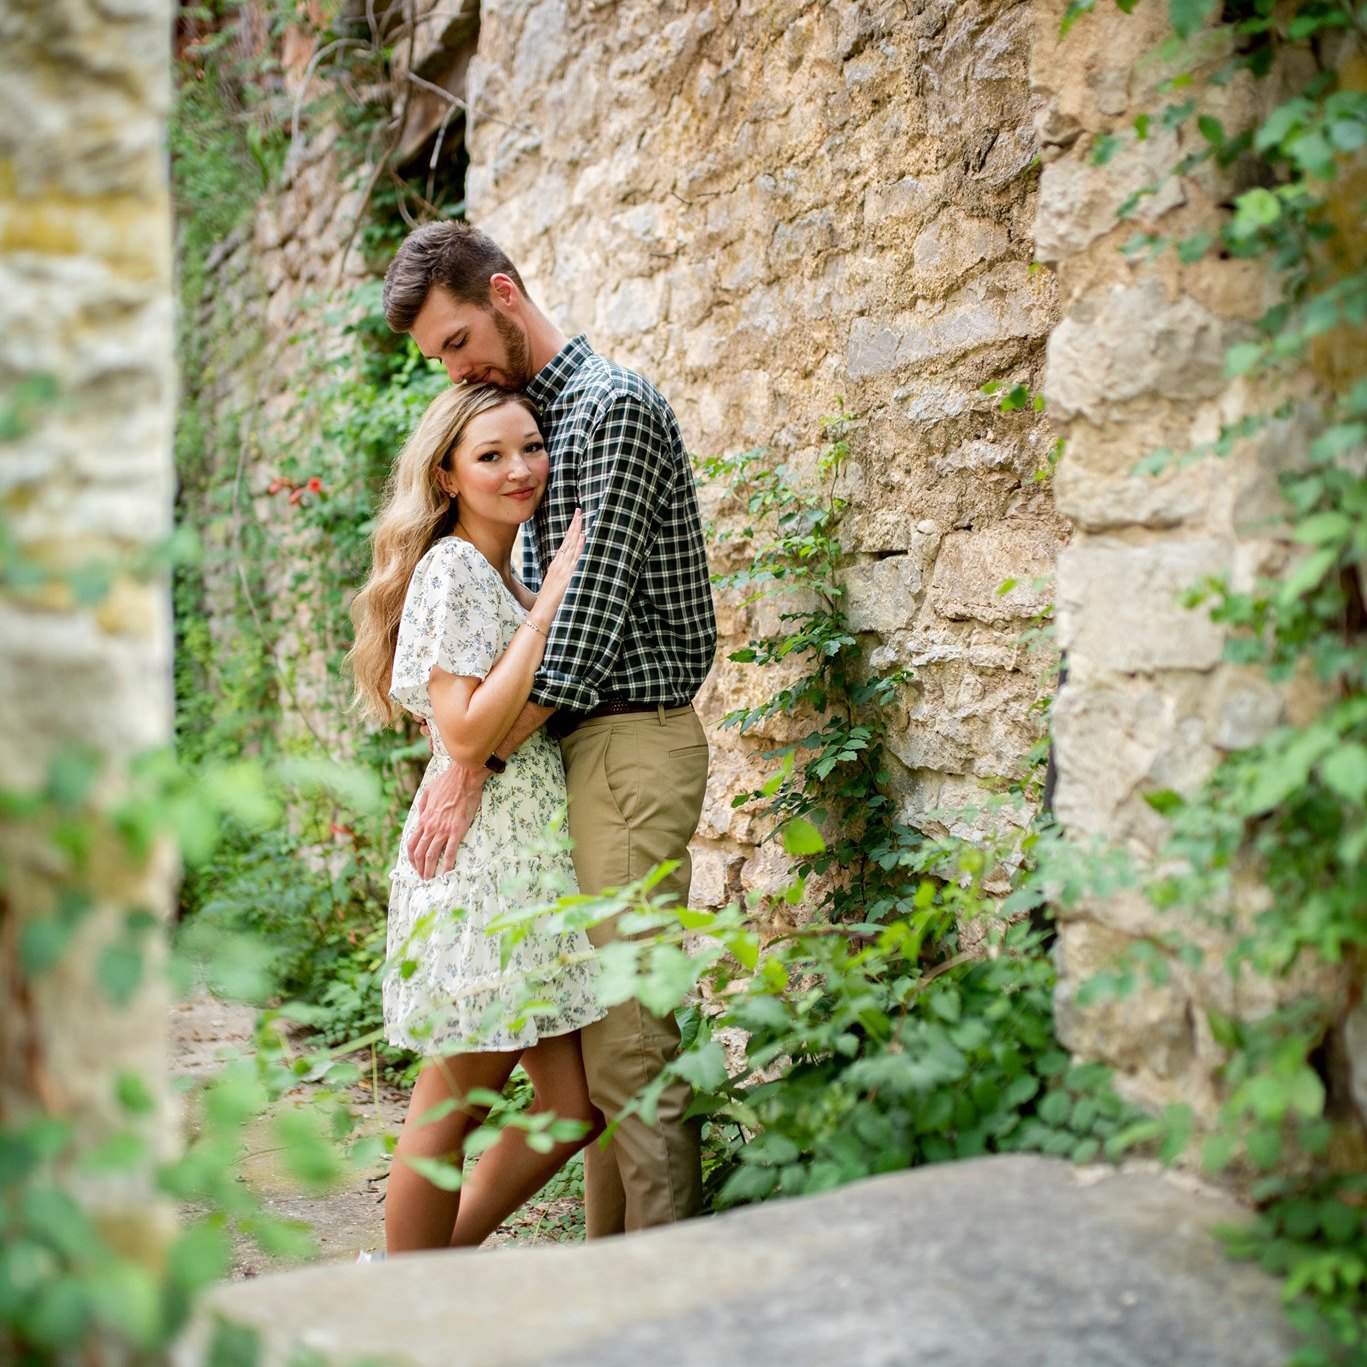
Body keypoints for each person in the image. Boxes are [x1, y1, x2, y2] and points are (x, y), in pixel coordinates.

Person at [381, 220, 717, 1237]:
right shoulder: (550, 423)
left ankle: (659, 1292)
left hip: (621, 744)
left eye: (454, 341)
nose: (456, 367)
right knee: (596, 1053)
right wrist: (470, 750)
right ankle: (601, 1270)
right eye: (443, 359)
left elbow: (578, 638)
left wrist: (473, 759)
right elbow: (531, 640)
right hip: (572, 759)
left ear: (501, 292)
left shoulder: (602, 412)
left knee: (622, 1049)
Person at [348, 382, 605, 1253]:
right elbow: (460, 731)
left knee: (571, 1112)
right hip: (481, 872)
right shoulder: (456, 567)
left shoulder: (498, 569)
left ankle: (431, 1273)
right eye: (490, 455)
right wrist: (546, 609)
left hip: (521, 865)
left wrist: (536, 596)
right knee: (449, 1110)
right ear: (449, 476)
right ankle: (411, 1300)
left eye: (530, 447)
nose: (519, 468)